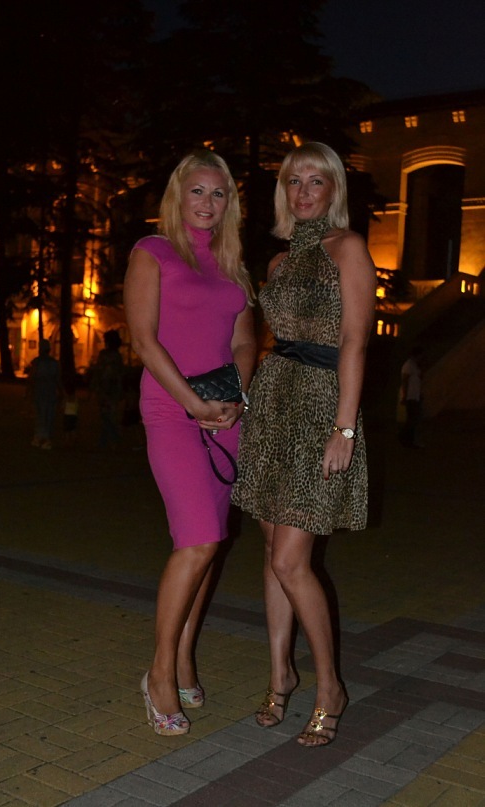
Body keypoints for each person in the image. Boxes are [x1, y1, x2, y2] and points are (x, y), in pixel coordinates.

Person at [232, 143, 377, 747]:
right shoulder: (278, 261)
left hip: (322, 405)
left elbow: (355, 342)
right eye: (295, 181)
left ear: (334, 188)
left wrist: (344, 428)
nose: (304, 191)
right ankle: (280, 674)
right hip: (274, 401)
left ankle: (330, 687)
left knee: (293, 560)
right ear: (283, 191)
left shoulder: (349, 248)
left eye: (317, 181)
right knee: (273, 552)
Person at [123, 150, 256, 736]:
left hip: (225, 413)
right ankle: (157, 674)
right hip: (171, 410)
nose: (207, 202)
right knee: (198, 540)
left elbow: (245, 343)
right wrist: (193, 404)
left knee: (210, 543)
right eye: (197, 191)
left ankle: (181, 659)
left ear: (230, 203)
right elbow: (144, 340)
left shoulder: (233, 265)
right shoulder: (152, 251)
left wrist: (233, 399)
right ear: (178, 195)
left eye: (218, 193)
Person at [91, 329, 126, 449]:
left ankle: (111, 440)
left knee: (107, 415)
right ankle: (107, 441)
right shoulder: (117, 356)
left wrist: (94, 386)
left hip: (106, 389)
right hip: (112, 389)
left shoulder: (105, 355)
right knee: (109, 415)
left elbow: (99, 372)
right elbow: (120, 374)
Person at [27, 338, 62, 449]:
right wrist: (60, 392)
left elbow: (32, 378)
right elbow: (58, 379)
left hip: (40, 392)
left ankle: (39, 437)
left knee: (39, 415)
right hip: (50, 392)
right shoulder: (54, 363)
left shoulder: (37, 362)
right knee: (49, 415)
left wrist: (29, 391)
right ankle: (46, 438)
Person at [399, 344, 424, 448]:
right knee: (412, 419)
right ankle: (407, 439)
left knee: (413, 419)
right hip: (411, 397)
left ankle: (408, 439)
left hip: (414, 396)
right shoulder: (408, 365)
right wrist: (405, 396)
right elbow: (405, 381)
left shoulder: (414, 365)